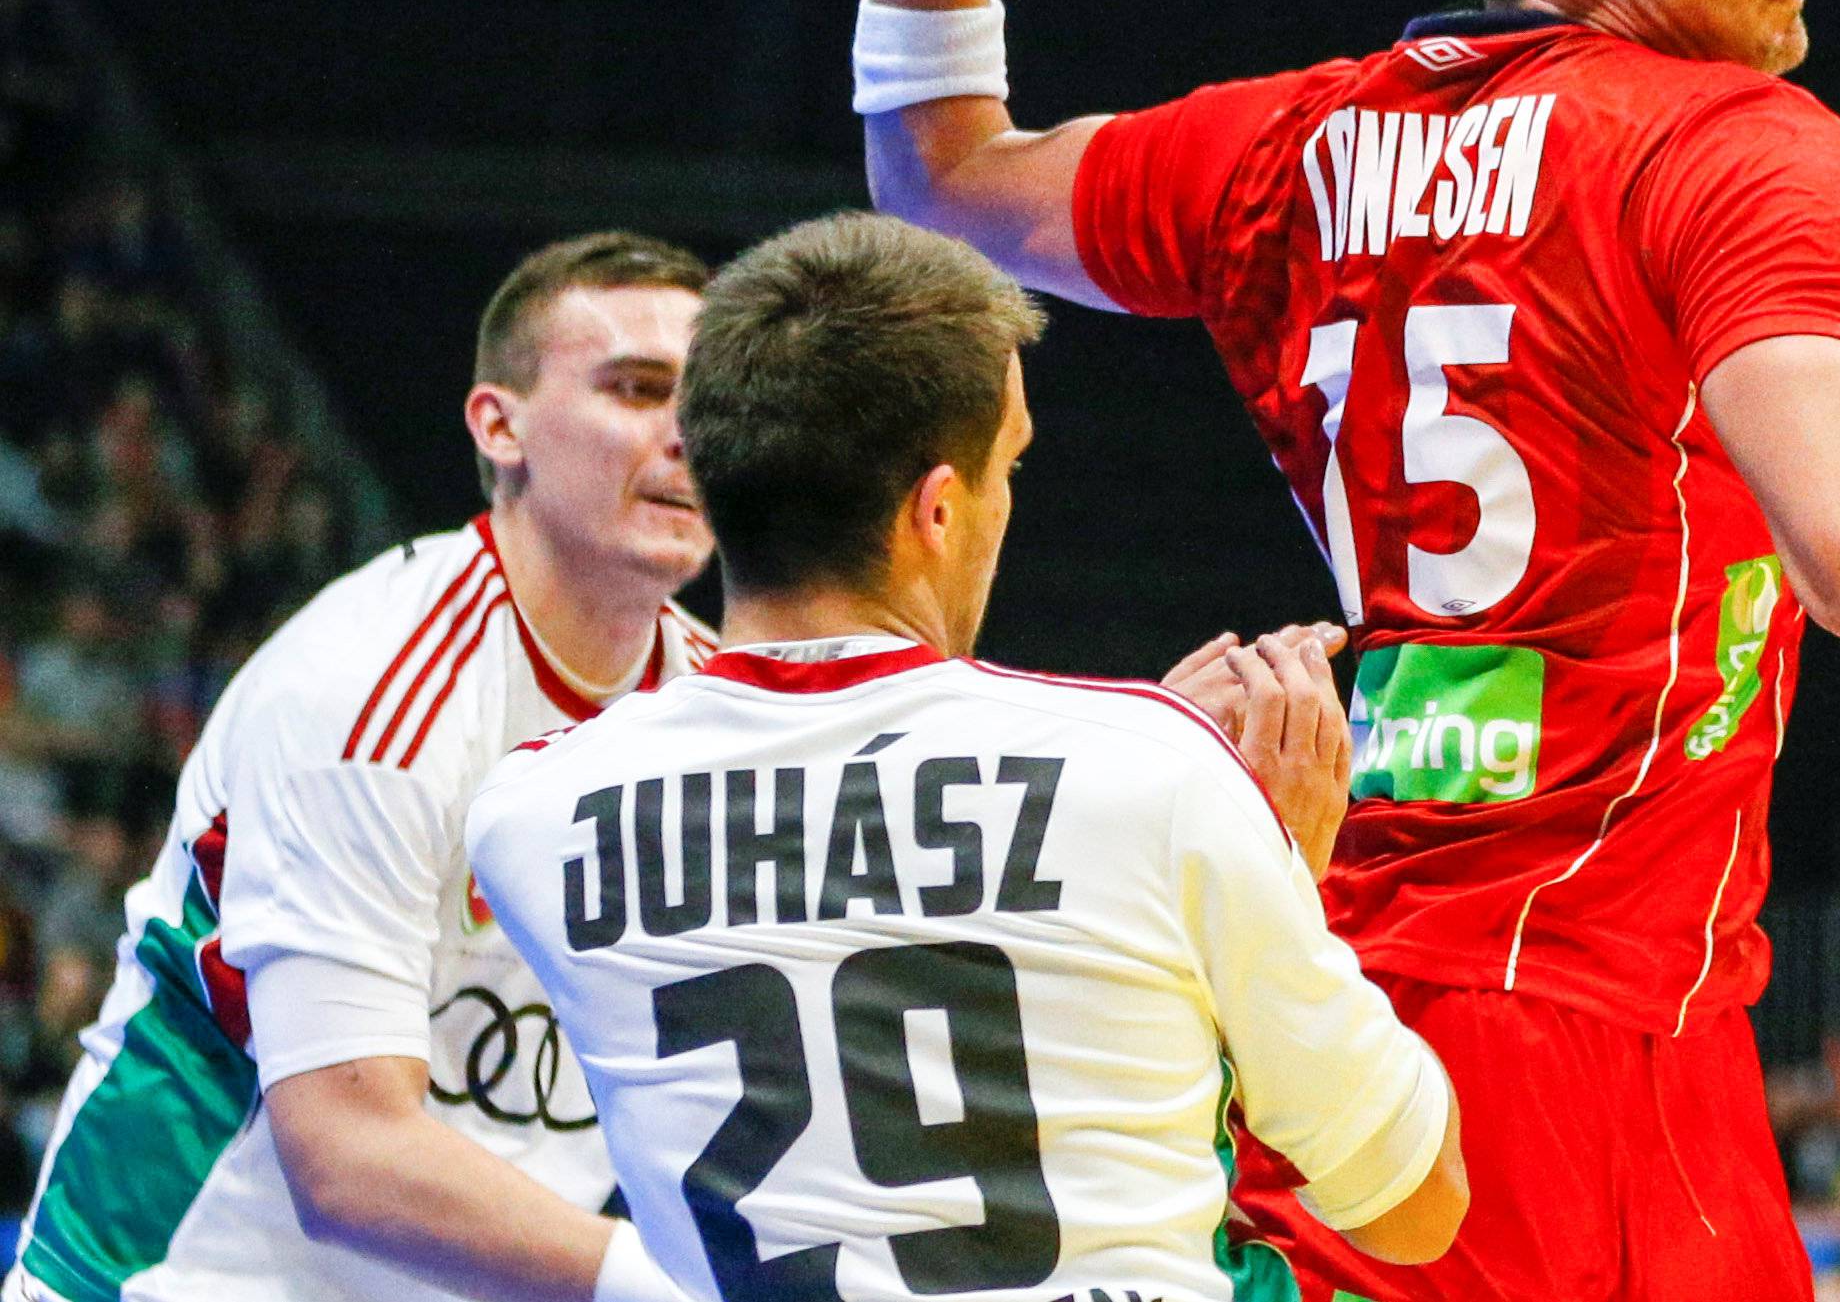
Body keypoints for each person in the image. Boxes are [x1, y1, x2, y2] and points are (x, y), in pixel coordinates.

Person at [802, 0, 1840, 1301]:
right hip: (1578, 1014)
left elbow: (936, 173)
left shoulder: (1287, 147)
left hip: (1387, 968)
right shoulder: (1730, 143)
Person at [467, 210, 1468, 1302]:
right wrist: (1267, 862)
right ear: (938, 509)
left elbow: (825, 870)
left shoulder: (531, 810)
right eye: (1010, 465)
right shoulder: (1157, 772)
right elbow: (1413, 1206)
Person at [5, 233, 719, 1302]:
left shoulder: (725, 714)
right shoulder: (367, 690)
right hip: (181, 1279)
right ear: (500, 422)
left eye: (709, 399)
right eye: (637, 389)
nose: (685, 436)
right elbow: (347, 1154)